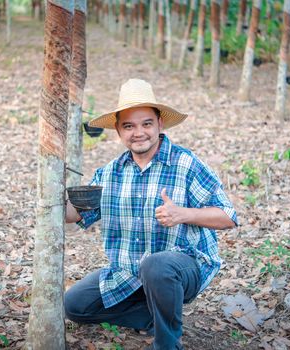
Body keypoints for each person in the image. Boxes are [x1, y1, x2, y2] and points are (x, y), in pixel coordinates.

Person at [64, 78, 238, 350]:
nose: (139, 132)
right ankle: (154, 315)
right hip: (127, 272)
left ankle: (167, 342)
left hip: (182, 268)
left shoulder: (184, 163)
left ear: (160, 124)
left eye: (146, 124)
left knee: (156, 266)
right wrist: (52, 191)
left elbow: (228, 216)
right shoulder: (110, 173)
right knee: (74, 306)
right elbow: (75, 214)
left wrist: (183, 214)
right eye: (129, 126)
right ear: (119, 131)